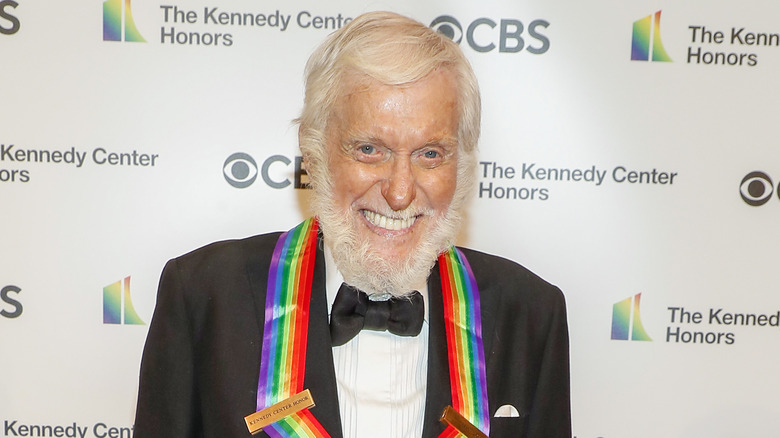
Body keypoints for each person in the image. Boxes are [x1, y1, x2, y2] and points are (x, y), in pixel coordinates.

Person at [133, 11, 570, 438]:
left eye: (431, 154)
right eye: (369, 149)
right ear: (313, 147)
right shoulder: (203, 298)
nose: (400, 192)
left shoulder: (529, 315)